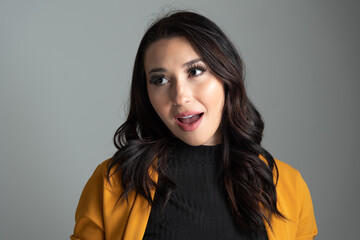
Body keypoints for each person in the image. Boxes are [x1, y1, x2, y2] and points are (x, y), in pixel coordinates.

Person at [70, 11, 317, 240]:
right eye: (160, 79)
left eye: (195, 71)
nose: (180, 96)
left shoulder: (289, 186)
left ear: (226, 76)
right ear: (146, 93)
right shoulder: (112, 183)